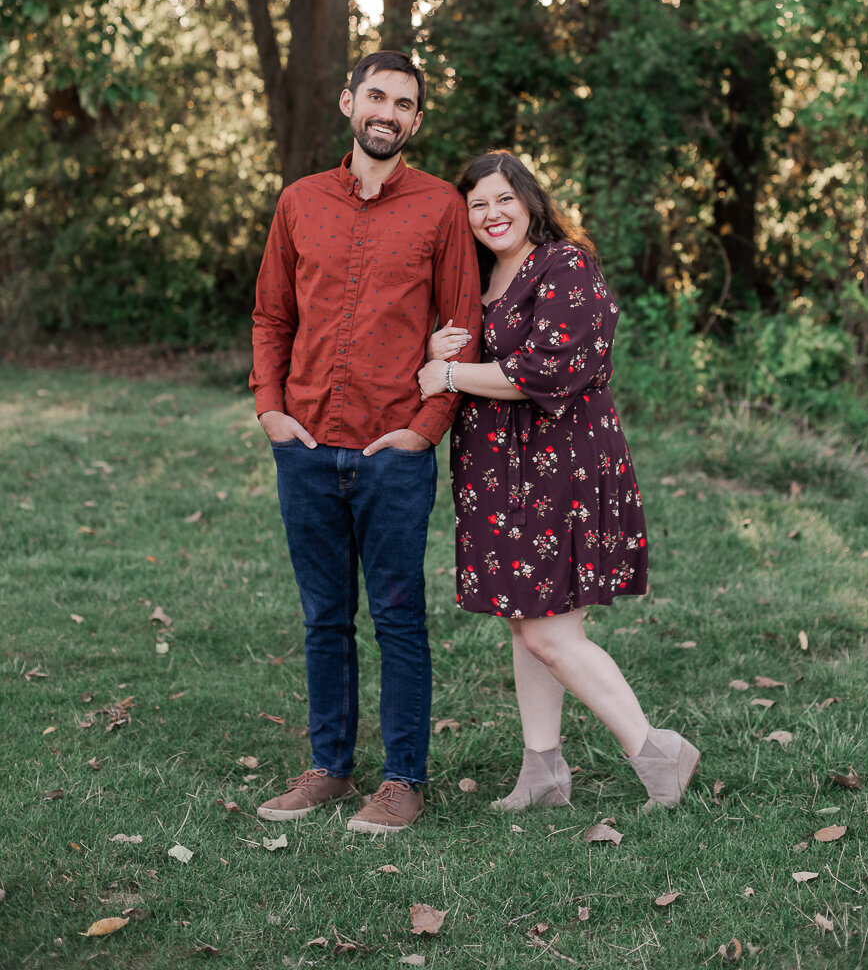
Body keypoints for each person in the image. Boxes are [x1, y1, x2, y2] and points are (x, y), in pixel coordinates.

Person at [417, 150, 699, 811]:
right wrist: (437, 351)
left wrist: (450, 374)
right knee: (526, 622)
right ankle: (542, 774)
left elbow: (548, 370)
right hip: (497, 472)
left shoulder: (563, 265)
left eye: (503, 199)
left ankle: (658, 753)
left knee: (549, 632)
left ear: (530, 201)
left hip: (560, 465)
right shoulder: (478, 276)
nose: (492, 214)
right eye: (477, 204)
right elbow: (460, 349)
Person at [250, 51, 482, 834]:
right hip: (307, 446)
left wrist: (424, 431)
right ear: (349, 102)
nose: (388, 112)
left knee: (398, 618)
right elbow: (271, 316)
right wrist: (271, 411)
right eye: (376, 96)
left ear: (416, 119)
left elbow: (461, 326)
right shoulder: (299, 201)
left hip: (394, 454)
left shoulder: (441, 207)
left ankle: (403, 780)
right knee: (324, 619)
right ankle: (328, 769)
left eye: (403, 103)